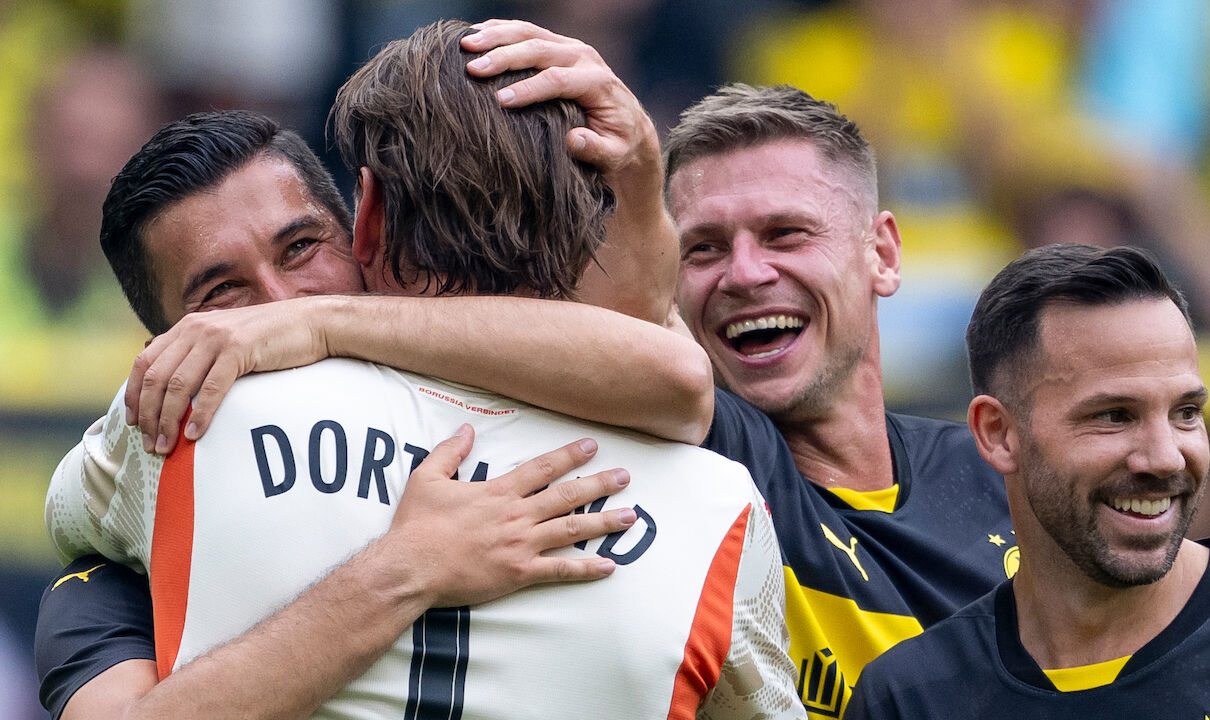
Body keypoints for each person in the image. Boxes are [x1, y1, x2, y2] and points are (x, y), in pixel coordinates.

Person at [45, 19, 801, 720]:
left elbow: (674, 377)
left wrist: (325, 326)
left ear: (362, 218)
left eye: (301, 249)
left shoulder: (171, 439)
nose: (276, 308)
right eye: (222, 294)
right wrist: (404, 568)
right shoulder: (721, 508)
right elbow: (670, 371)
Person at [662, 84, 1014, 717]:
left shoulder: (1008, 480)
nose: (744, 273)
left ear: (882, 254)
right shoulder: (683, 477)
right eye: (703, 248)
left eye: (785, 234)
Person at [849, 244, 1210, 717]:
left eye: (1186, 412)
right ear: (998, 433)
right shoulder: (912, 695)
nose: (1165, 458)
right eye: (1114, 415)